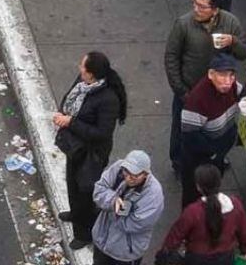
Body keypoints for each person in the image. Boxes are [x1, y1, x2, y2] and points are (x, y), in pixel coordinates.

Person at [162, 0, 246, 171]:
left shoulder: (230, 22)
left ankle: (216, 158)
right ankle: (179, 163)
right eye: (195, 3)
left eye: (202, 7)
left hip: (219, 91)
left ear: (215, 9)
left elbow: (244, 52)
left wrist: (233, 41)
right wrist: (181, 90)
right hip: (189, 90)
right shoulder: (183, 24)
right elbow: (171, 57)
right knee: (182, 130)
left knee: (219, 128)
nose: (196, 9)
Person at [54, 52, 129, 244]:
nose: (79, 69)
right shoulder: (82, 82)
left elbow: (102, 133)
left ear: (92, 74)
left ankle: (84, 233)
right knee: (72, 183)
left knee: (85, 193)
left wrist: (71, 122)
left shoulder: (108, 99)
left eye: (83, 66)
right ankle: (75, 213)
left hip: (92, 154)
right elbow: (68, 98)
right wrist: (64, 114)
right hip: (76, 147)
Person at [175, 55, 246, 203]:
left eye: (231, 75)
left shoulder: (232, 86)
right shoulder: (197, 100)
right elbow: (190, 137)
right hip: (199, 158)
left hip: (219, 150)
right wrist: (213, 154)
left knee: (213, 186)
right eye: (222, 75)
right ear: (211, 74)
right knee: (194, 194)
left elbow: (244, 93)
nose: (228, 81)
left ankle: (209, 208)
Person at [160, 165, 246, 265]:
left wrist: (163, 254)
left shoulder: (192, 211)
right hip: (225, 258)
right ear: (219, 182)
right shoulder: (235, 205)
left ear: (198, 187)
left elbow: (175, 236)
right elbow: (244, 231)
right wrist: (245, 250)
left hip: (196, 259)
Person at [88, 150, 165, 262]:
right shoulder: (119, 168)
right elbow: (99, 189)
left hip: (125, 253)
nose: (128, 178)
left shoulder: (153, 195)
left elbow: (135, 224)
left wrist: (114, 211)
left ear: (146, 174)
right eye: (126, 172)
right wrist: (112, 200)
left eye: (135, 175)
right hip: (101, 240)